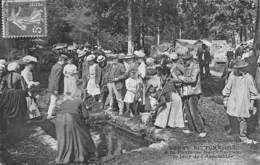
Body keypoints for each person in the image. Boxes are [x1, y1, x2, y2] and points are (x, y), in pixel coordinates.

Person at [222, 59, 258, 144]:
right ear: (237, 69)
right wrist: (225, 99)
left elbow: (253, 92)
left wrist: (252, 104)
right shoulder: (232, 75)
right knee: (231, 114)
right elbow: (227, 88)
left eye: (243, 68)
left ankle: (243, 136)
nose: (242, 70)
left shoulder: (248, 78)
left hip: (244, 100)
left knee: (243, 118)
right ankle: (234, 128)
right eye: (239, 68)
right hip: (233, 99)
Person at [55, 90, 96, 164]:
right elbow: (86, 116)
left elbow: (57, 111)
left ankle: (62, 157)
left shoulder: (64, 102)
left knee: (64, 138)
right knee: (80, 136)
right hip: (71, 117)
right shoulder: (80, 101)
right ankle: (80, 156)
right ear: (79, 96)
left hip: (59, 119)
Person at [178, 53, 207, 137]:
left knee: (194, 112)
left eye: (185, 60)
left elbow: (192, 80)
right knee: (187, 111)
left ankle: (201, 130)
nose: (183, 62)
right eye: (183, 60)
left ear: (190, 60)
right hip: (186, 92)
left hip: (194, 92)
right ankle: (191, 128)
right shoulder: (186, 67)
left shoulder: (196, 67)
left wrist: (181, 78)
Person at [47, 54, 67, 119]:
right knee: (55, 100)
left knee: (53, 100)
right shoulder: (59, 67)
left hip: (51, 86)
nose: (65, 63)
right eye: (65, 61)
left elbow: (50, 77)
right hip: (56, 87)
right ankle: (50, 114)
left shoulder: (54, 66)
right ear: (62, 60)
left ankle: (50, 113)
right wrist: (56, 89)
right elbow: (57, 79)